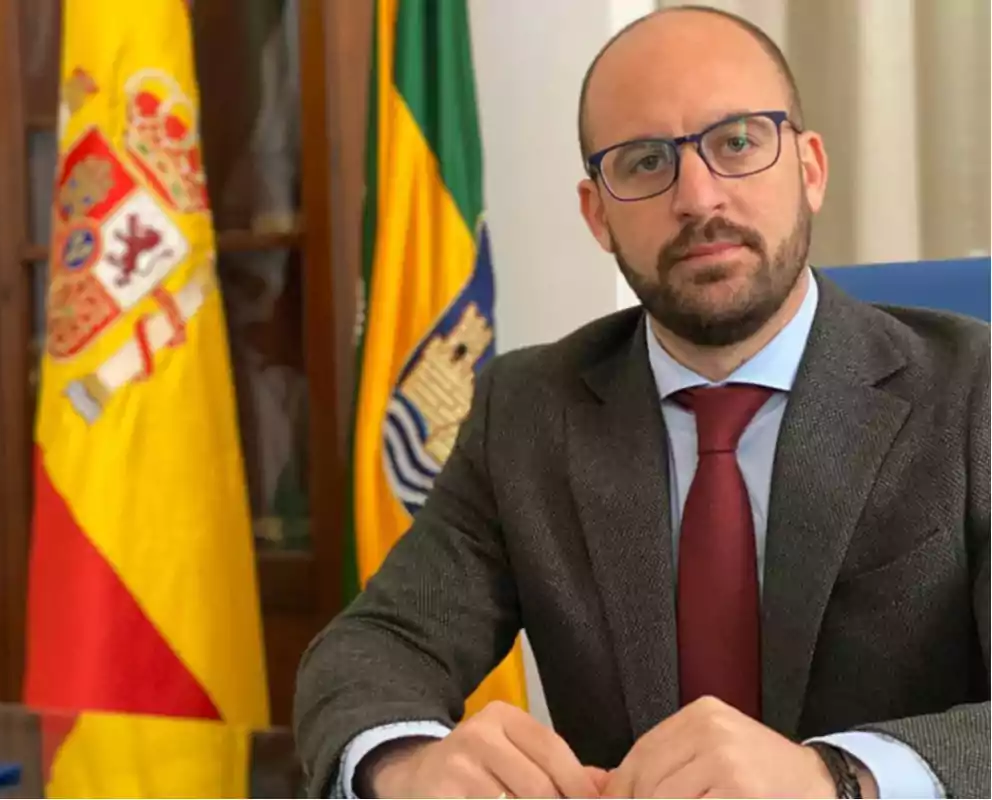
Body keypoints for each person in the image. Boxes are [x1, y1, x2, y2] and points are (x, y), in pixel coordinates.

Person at [294, 6, 990, 799]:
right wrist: (404, 761)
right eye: (645, 161)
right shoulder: (527, 411)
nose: (697, 197)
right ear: (598, 213)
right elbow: (375, 644)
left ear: (811, 168)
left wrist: (837, 777)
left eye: (736, 143)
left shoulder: (973, 392)